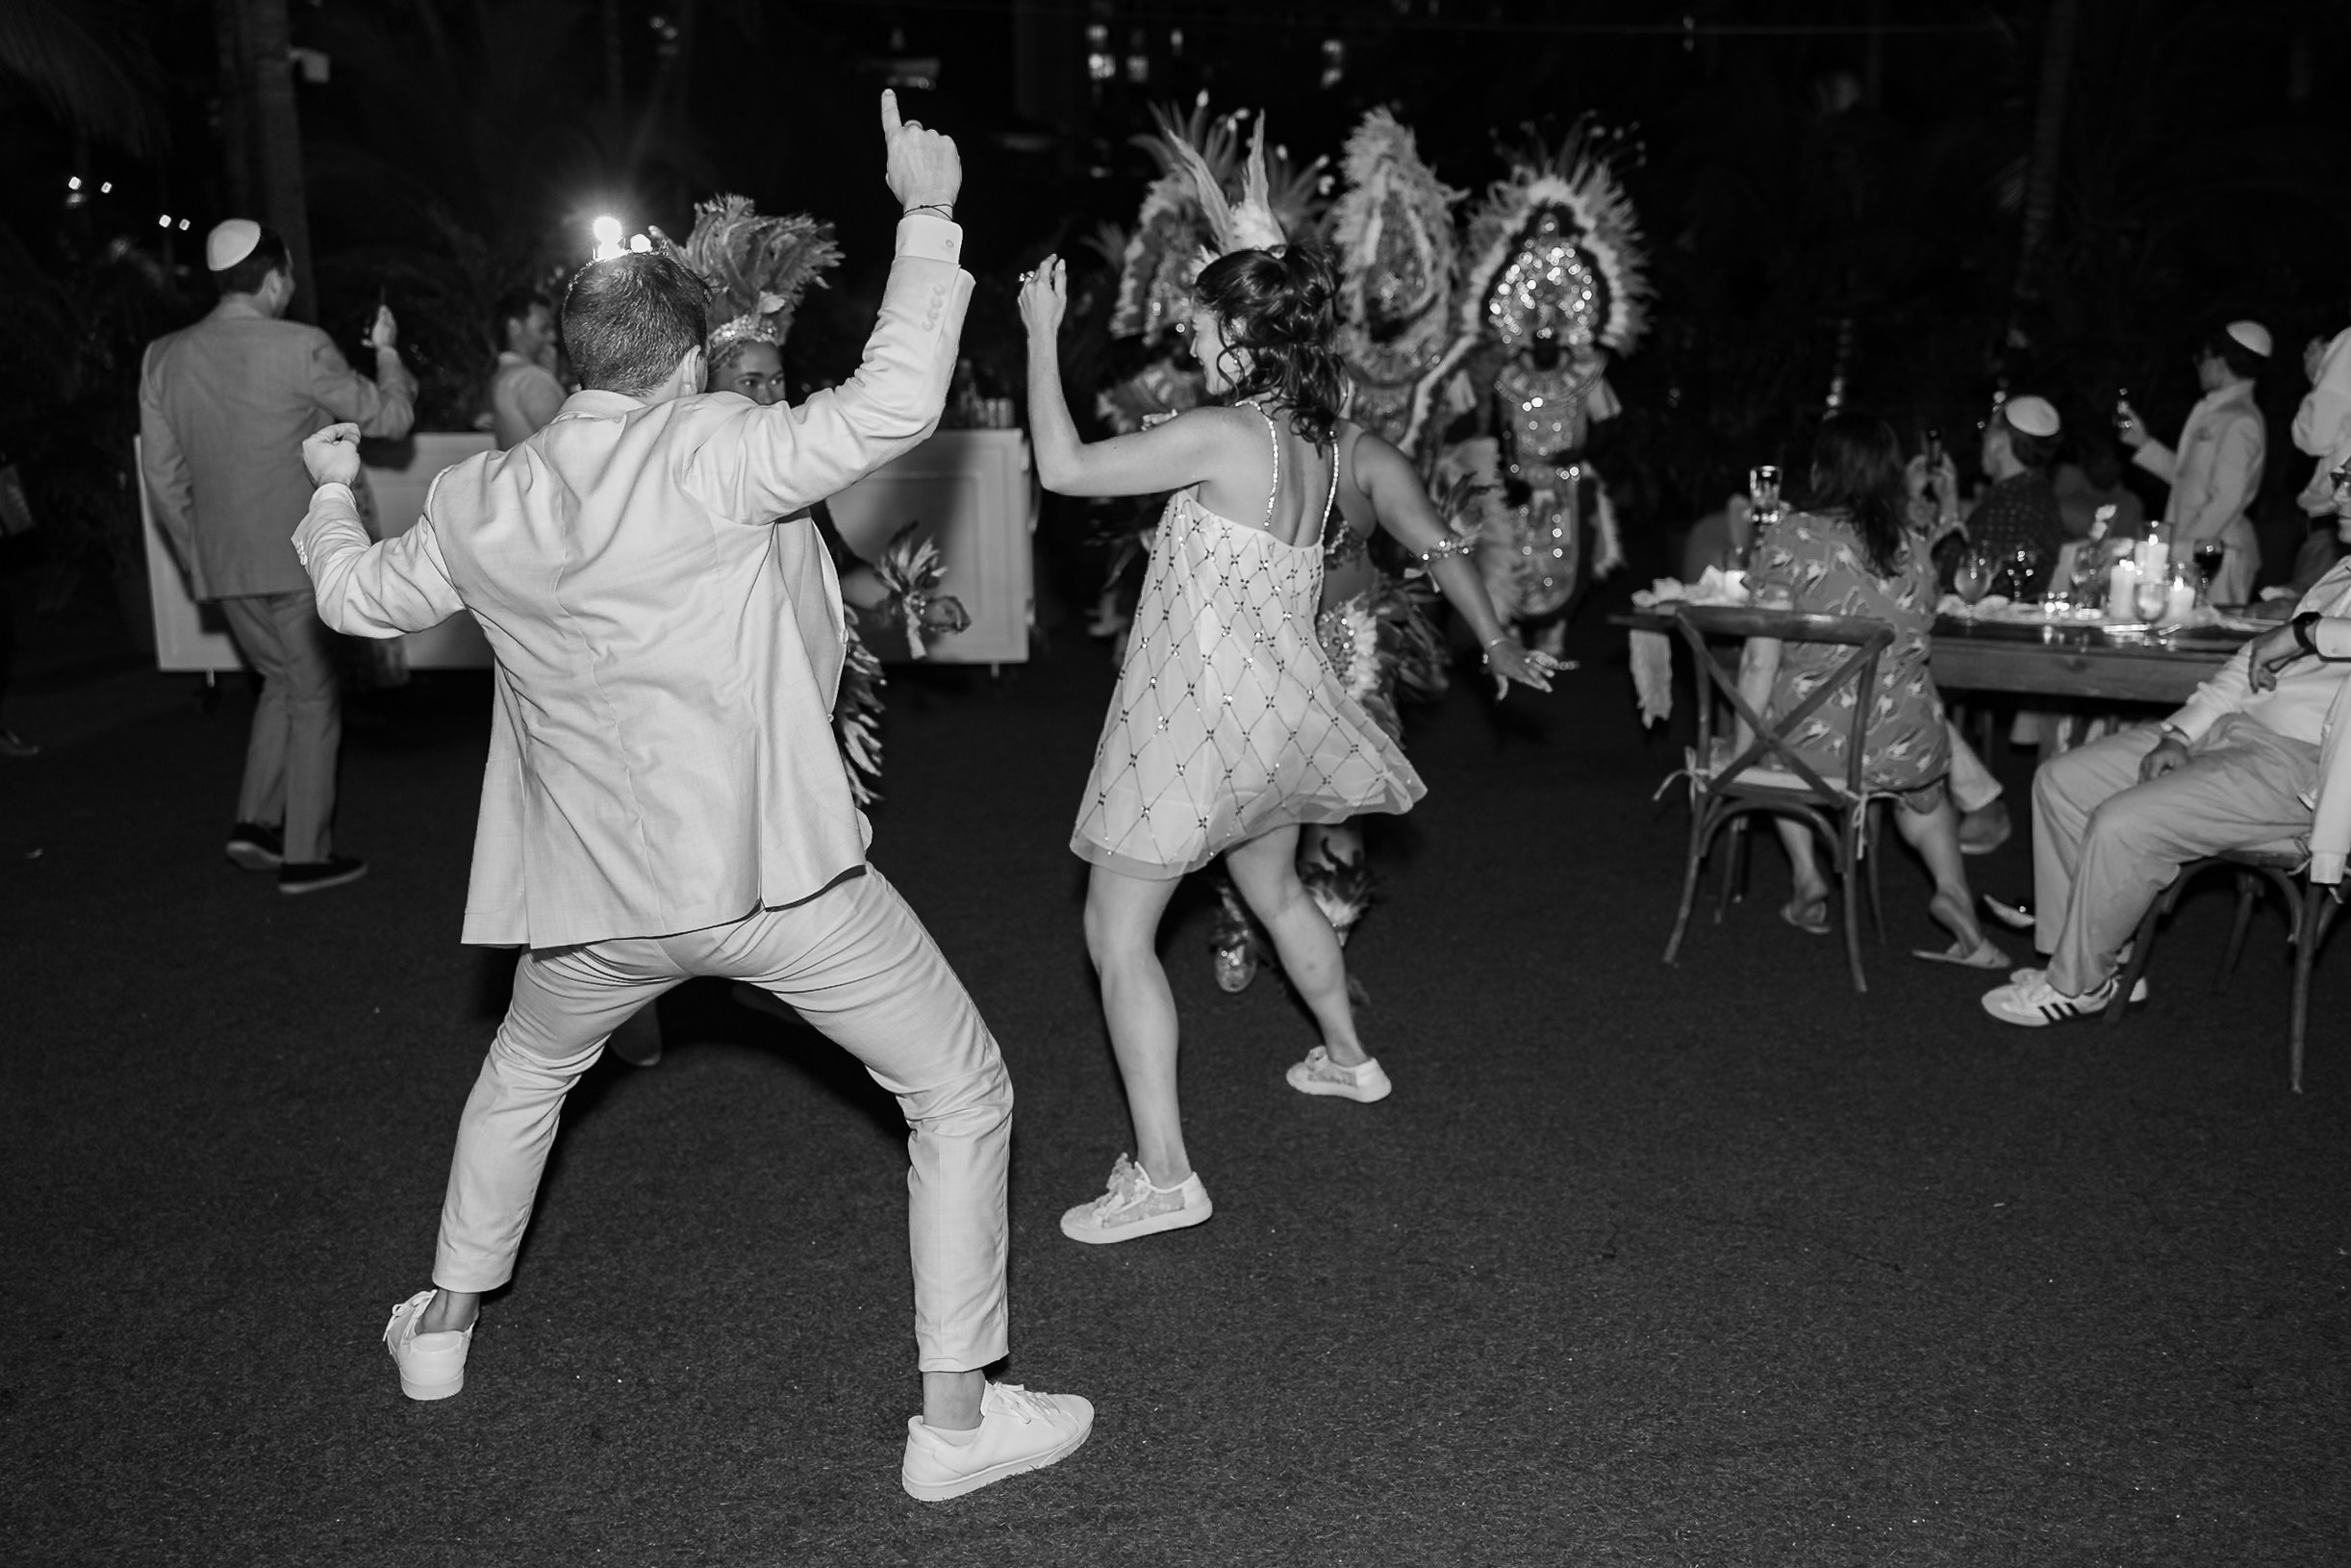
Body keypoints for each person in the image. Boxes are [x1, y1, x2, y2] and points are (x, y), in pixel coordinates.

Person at [297, 94, 1091, 1502]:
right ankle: (957, 1427)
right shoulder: (716, 452)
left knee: (524, 1074)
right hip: (778, 887)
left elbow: (356, 596)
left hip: (595, 904)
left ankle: (439, 1324)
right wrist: (924, 211)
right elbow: (897, 400)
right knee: (962, 1089)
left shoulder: (488, 495)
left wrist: (328, 489)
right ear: (682, 361)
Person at [1028, 240, 1528, 1245]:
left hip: (1188, 725)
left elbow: (1063, 467)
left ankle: (1164, 1175)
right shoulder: (1324, 449)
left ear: (1246, 332)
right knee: (1276, 890)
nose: (1187, 335)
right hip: (1272, 723)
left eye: (1201, 323)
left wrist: (1041, 336)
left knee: (1116, 939)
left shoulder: (1221, 435)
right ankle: (1347, 1055)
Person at [1981, 480, 2351, 1025]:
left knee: (2122, 822)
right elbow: (2252, 663)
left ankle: (2076, 984)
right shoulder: (2343, 570)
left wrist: (2306, 631)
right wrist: (2180, 734)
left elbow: (2303, 639)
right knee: (2063, 782)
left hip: (2300, 768)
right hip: (2234, 731)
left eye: (2348, 482)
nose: (2335, 495)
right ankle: (2094, 960)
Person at [139, 219, 416, 893]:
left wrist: (199, 558)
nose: (290, 285)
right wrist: (386, 355)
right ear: (270, 280)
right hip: (297, 559)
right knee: (315, 694)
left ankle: (254, 823)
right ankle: (305, 856)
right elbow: (389, 420)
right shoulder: (301, 346)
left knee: (280, 685)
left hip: (226, 564)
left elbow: (164, 480)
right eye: (288, 273)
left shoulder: (163, 357)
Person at [1736, 414, 2007, 968]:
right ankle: (1954, 894)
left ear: (1819, 470)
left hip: (1815, 747)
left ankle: (1809, 879)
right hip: (1907, 743)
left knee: (1772, 737)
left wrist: (1742, 753)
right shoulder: (1911, 546)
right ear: (1889, 477)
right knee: (1922, 792)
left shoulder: (1790, 536)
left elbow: (1758, 663)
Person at [2118, 320, 2270, 605]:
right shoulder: (2218, 412)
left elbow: (2227, 498)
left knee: (2210, 637)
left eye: (2201, 358)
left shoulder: (2240, 421)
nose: (2197, 366)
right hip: (2199, 548)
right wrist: (2143, 443)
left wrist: (2181, 549)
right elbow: (2193, 477)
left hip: (2217, 554)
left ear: (2220, 361)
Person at [487, 287, 565, 449]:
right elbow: (564, 443)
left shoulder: (504, 375)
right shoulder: (530, 377)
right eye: (543, 328)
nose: (553, 336)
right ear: (514, 327)